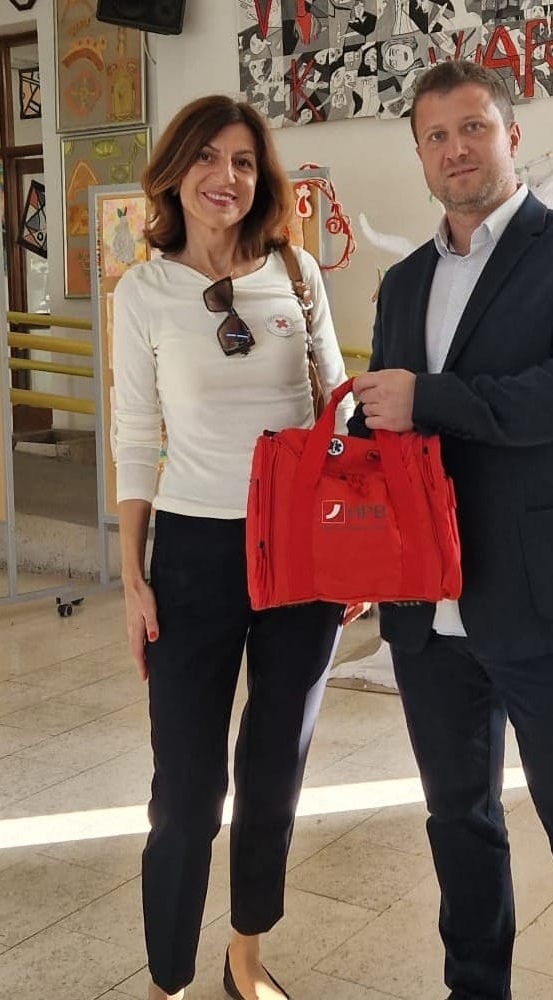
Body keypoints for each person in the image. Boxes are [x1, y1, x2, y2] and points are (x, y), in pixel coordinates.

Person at [349, 60, 553, 999]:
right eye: (436, 136)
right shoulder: (404, 282)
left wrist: (429, 399)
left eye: (473, 127)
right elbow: (394, 430)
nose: (457, 150)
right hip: (426, 606)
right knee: (459, 823)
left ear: (512, 135)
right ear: (419, 154)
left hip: (546, 596)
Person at [112, 95, 350, 1000]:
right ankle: (168, 978)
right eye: (207, 158)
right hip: (193, 554)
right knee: (185, 789)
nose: (227, 177)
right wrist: (132, 578)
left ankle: (245, 953)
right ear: (175, 172)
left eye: (244, 162)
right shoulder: (143, 293)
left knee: (274, 768)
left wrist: (346, 550)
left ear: (263, 177)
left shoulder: (295, 272)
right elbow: (135, 438)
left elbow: (335, 416)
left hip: (299, 552)